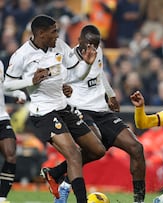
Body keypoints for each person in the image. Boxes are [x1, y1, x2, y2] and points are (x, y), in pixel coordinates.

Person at [3, 15, 105, 203]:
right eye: (53, 31)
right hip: (43, 112)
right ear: (41, 34)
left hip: (63, 107)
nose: (57, 35)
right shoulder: (22, 55)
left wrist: (88, 66)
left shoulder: (59, 46)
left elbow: (77, 75)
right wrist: (30, 81)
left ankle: (55, 172)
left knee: (97, 150)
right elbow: (7, 85)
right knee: (73, 154)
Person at [55, 24, 146, 203]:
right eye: (88, 44)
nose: (92, 49)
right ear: (79, 40)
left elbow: (99, 73)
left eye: (96, 45)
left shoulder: (99, 52)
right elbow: (61, 85)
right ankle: (64, 181)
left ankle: (139, 201)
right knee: (96, 147)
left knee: (137, 148)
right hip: (79, 110)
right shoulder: (67, 60)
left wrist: (110, 95)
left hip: (101, 110)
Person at [0, 60, 26, 203]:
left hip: (2, 117)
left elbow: (3, 87)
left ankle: (2, 198)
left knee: (11, 155)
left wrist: (17, 92)